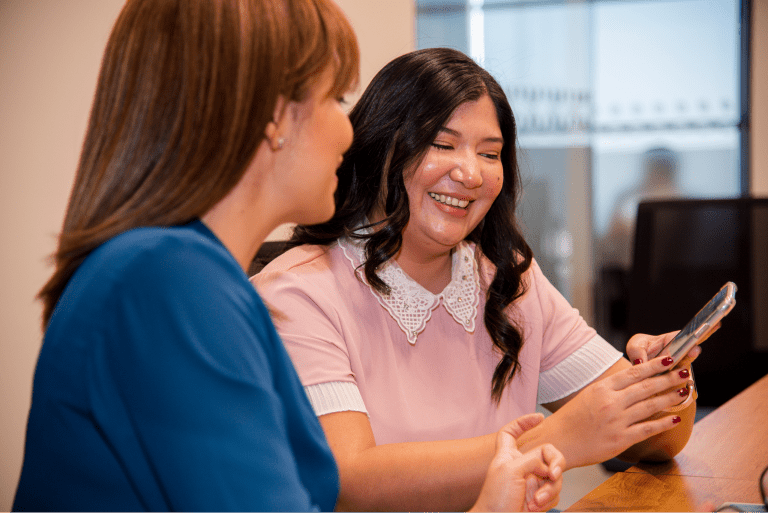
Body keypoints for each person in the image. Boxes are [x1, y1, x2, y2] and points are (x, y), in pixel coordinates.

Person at [13, 3, 564, 512]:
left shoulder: (189, 275)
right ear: (274, 116)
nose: (349, 131)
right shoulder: (169, 284)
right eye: (334, 99)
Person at [252, 47, 700, 512]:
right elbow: (349, 480)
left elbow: (662, 438)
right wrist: (558, 438)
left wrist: (667, 382)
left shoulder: (510, 280)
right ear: (380, 145)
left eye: (490, 153)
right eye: (442, 145)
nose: (469, 174)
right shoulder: (300, 292)